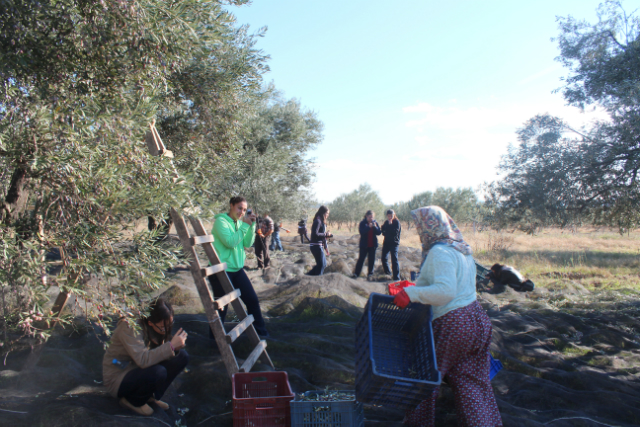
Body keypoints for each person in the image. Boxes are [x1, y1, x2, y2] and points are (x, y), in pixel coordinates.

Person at [393, 206, 502, 427]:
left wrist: (412, 293)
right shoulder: (462, 249)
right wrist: (413, 287)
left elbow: (445, 291)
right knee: (472, 385)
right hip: (477, 321)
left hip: (454, 324)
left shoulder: (438, 252)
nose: (419, 231)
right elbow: (457, 286)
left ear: (429, 226)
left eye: (420, 226)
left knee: (425, 380)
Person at [102, 298, 189, 416]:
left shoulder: (154, 326)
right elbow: (142, 360)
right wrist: (171, 347)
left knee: (182, 357)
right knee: (159, 372)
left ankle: (149, 396)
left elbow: (158, 353)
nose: (166, 330)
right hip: (119, 373)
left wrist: (175, 348)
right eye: (163, 327)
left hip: (138, 369)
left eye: (170, 325)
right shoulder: (129, 326)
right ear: (150, 323)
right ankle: (133, 401)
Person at [208, 196, 269, 336]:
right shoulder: (221, 221)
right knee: (221, 307)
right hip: (220, 270)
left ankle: (261, 333)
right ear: (231, 205)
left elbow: (247, 243)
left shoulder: (239, 223)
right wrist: (245, 225)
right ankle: (214, 340)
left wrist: (252, 225)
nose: (241, 212)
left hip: (237, 270)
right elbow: (230, 242)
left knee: (252, 300)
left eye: (244, 209)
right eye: (239, 208)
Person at [353, 210, 381, 280]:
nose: (371, 219)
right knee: (361, 259)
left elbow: (379, 232)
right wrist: (368, 227)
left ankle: (370, 274)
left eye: (372, 217)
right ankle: (356, 273)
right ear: (366, 216)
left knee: (371, 260)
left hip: (372, 245)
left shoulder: (375, 222)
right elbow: (362, 232)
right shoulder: (363, 223)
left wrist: (375, 227)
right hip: (364, 245)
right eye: (369, 217)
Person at [308, 206, 332, 276]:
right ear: (323, 213)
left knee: (321, 264)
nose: (327, 215)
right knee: (322, 264)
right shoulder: (317, 221)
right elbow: (315, 233)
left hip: (317, 246)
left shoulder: (320, 221)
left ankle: (308, 277)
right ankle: (317, 280)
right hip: (316, 247)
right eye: (327, 213)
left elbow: (321, 234)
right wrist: (325, 234)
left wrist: (327, 235)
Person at [380, 209, 402, 281]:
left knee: (394, 260)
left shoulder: (396, 222)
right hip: (386, 243)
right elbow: (383, 230)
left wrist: (390, 226)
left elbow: (395, 233)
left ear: (394, 215)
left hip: (394, 243)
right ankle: (388, 273)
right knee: (384, 258)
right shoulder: (386, 222)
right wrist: (384, 231)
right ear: (387, 216)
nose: (390, 217)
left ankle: (396, 277)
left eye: (391, 216)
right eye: (389, 216)